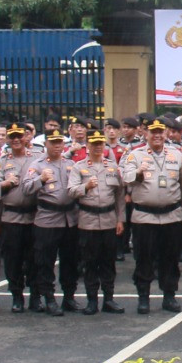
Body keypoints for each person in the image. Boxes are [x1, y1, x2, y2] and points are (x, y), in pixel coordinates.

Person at [120, 118, 182, 313]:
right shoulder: (135, 155)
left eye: (160, 132)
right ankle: (143, 297)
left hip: (171, 216)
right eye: (153, 132)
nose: (157, 135)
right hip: (145, 217)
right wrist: (139, 173)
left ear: (165, 134)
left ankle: (169, 296)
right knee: (144, 258)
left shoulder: (176, 155)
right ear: (146, 134)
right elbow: (126, 178)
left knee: (170, 259)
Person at [25, 130, 80, 316]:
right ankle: (48, 297)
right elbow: (26, 188)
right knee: (45, 261)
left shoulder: (71, 164)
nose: (57, 145)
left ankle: (69, 297)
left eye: (60, 142)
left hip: (69, 219)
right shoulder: (37, 165)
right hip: (47, 219)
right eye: (53, 142)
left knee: (70, 261)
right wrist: (40, 179)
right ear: (46, 144)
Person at [73, 129, 127, 314]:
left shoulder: (112, 167)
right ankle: (92, 300)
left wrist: (121, 219)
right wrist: (85, 187)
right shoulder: (79, 167)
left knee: (108, 261)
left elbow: (120, 195)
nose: (97, 147)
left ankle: (109, 299)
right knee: (90, 261)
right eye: (94, 144)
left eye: (100, 144)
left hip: (109, 219)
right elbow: (71, 191)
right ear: (87, 146)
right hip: (88, 220)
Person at [0, 124, 40, 311]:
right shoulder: (2, 162)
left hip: (34, 217)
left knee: (35, 259)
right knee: (13, 260)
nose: (15, 140)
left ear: (26, 138)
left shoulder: (37, 159)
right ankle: (17, 296)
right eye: (12, 137)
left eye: (19, 136)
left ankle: (35, 297)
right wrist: (5, 183)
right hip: (11, 218)